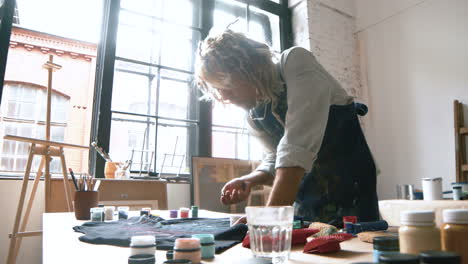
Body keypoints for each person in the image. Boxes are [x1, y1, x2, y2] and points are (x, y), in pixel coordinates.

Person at [195, 30, 379, 225]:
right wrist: (251, 179)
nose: (223, 96)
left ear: (248, 68)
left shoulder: (296, 61)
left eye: (225, 86)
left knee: (354, 249)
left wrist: (265, 221)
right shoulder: (254, 115)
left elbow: (295, 146)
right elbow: (274, 158)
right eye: (216, 89)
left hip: (351, 194)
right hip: (304, 204)